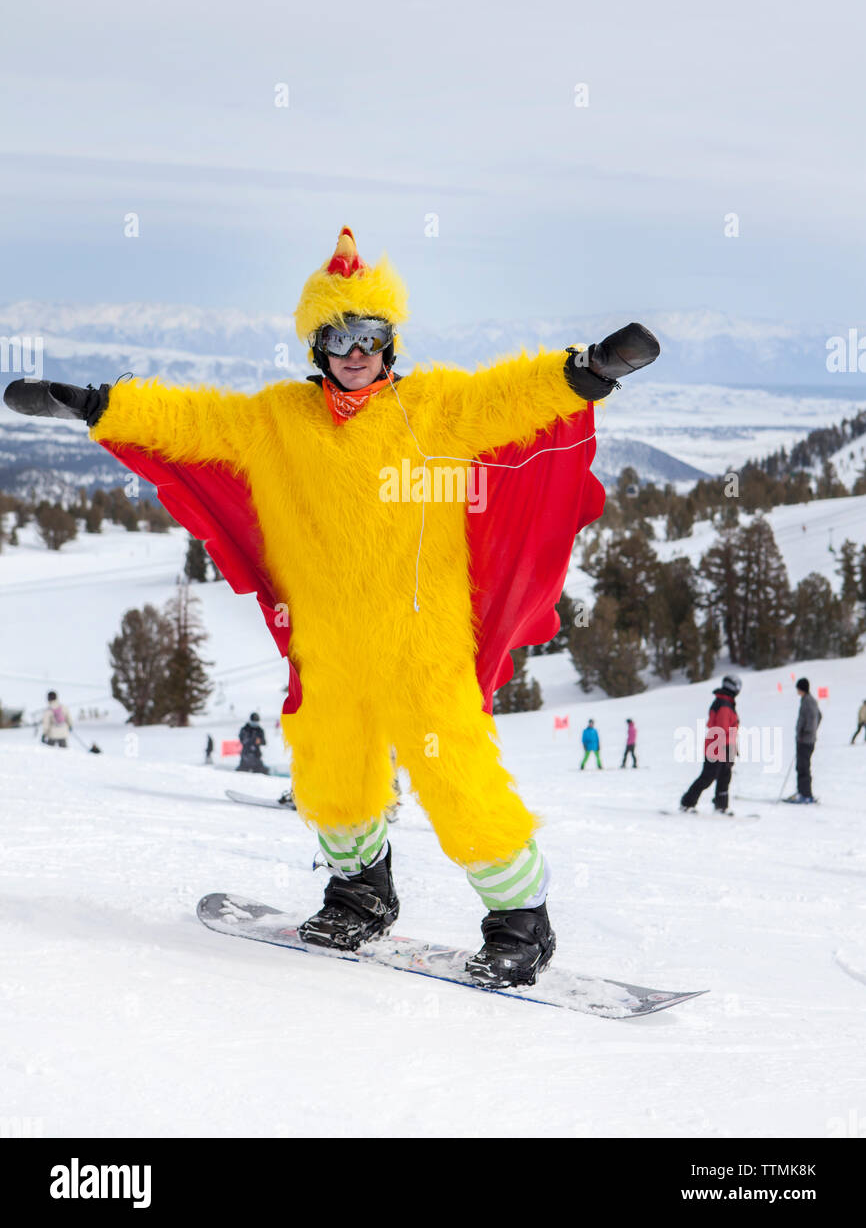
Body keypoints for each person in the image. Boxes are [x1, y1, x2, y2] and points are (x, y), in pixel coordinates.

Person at [3, 225, 659, 988]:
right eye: (339, 335)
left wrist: (587, 373)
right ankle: (359, 892)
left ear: (390, 343)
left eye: (371, 335)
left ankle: (519, 923)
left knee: (457, 777)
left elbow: (511, 398)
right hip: (330, 643)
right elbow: (187, 419)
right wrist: (96, 404)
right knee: (330, 771)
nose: (356, 350)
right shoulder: (277, 421)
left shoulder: (436, 410)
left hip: (422, 643)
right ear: (317, 347)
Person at [680, 674, 741, 814]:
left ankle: (721, 806)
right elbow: (722, 729)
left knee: (725, 777)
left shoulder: (726, 702)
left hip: (725, 747)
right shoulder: (725, 705)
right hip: (718, 747)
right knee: (708, 776)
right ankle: (687, 803)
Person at [785, 677, 821, 803]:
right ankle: (802, 792)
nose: (797, 691)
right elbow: (819, 716)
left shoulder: (808, 701)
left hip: (805, 740)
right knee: (801, 767)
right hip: (806, 739)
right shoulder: (808, 700)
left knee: (803, 767)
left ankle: (805, 795)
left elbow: (812, 718)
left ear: (802, 688)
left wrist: (805, 732)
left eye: (798, 688)